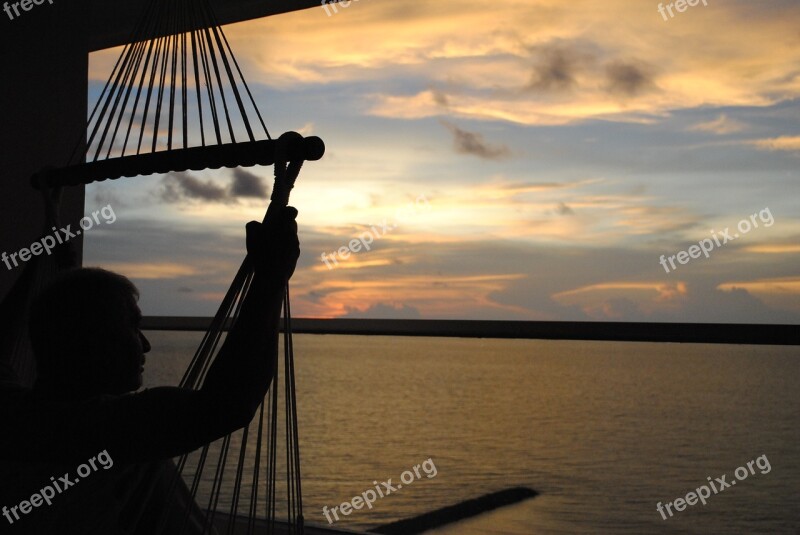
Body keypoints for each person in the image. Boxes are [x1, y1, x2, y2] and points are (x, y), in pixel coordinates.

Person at [0, 207, 300, 534]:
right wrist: (271, 278)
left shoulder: (14, 413)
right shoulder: (106, 430)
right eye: (132, 326)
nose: (145, 345)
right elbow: (228, 404)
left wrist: (45, 261)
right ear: (91, 340)